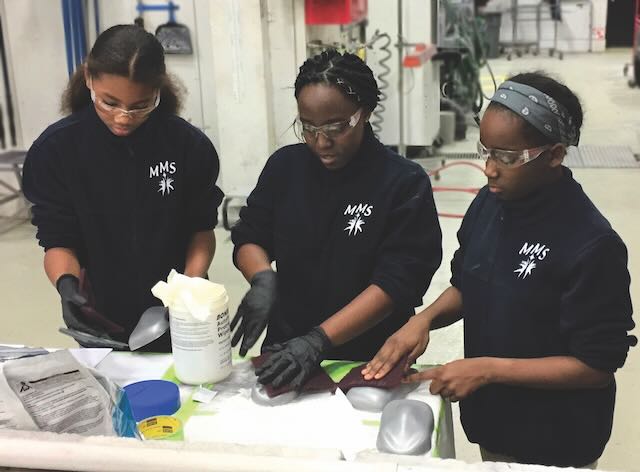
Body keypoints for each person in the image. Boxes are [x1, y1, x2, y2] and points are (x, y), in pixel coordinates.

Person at [362, 72, 636, 468]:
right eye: (485, 151)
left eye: (507, 158)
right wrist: (423, 321)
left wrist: (487, 369)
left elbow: (595, 366)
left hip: (556, 439)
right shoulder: (490, 204)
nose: (489, 169)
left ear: (555, 155)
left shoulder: (590, 244)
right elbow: (470, 281)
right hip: (496, 424)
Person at [230, 49, 443, 389]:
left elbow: (395, 283)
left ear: (366, 112)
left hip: (370, 356)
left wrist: (319, 340)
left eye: (336, 126)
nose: (321, 141)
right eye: (308, 127)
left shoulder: (402, 182)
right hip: (289, 347)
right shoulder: (285, 167)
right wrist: (261, 278)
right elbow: (250, 234)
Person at [23, 25, 223, 351]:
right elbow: (58, 239)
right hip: (101, 314)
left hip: (179, 313)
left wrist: (188, 288)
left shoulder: (187, 146)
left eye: (140, 105)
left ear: (159, 89)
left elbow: (200, 229)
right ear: (89, 78)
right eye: (109, 102)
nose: (123, 118)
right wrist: (68, 287)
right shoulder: (58, 150)